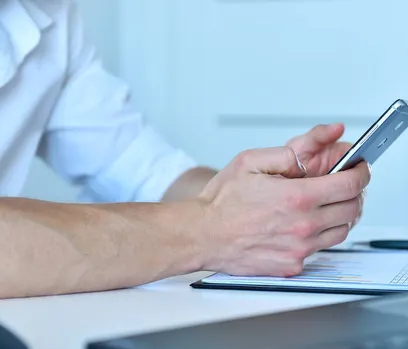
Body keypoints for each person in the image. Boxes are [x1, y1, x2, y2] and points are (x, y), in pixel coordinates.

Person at [0, 0, 369, 299]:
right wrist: (211, 229)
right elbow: (207, 220)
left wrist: (275, 196)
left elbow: (140, 166)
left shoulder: (50, 14)